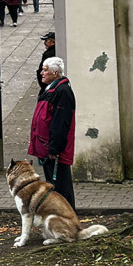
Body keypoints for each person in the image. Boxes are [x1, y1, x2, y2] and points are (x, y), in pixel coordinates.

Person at [30, 57, 77, 211]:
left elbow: (61, 123)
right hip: (46, 147)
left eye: (45, 70)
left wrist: (54, 149)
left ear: (55, 73)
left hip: (54, 150)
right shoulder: (51, 88)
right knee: (54, 186)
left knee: (61, 188)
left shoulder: (62, 92)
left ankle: (68, 219)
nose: (42, 73)